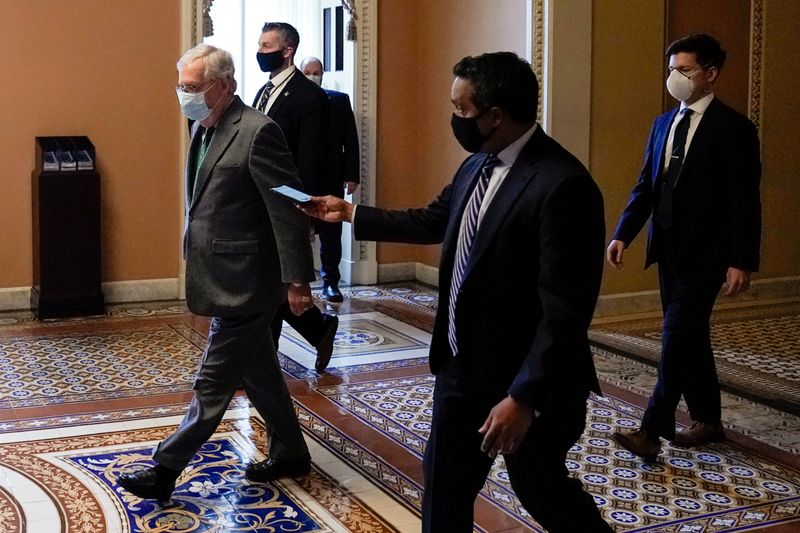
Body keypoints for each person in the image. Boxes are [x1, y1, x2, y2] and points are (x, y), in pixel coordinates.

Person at [300, 52, 612, 533]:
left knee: (541, 489)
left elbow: (565, 312)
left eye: (460, 110)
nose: (454, 120)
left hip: (525, 385)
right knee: (444, 491)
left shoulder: (563, 185)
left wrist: (523, 398)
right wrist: (349, 214)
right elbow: (432, 220)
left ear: (495, 116)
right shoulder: (477, 166)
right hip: (462, 372)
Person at [117, 44, 316, 502]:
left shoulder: (258, 132)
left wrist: (298, 280)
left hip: (247, 280)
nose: (183, 96)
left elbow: (287, 210)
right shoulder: (203, 127)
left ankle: (166, 466)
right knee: (260, 370)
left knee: (213, 382)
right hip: (221, 270)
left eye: (191, 88)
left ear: (223, 86)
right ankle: (289, 451)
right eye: (180, 87)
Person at [608, 34, 761, 461]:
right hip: (668, 250)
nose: (675, 77)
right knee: (690, 336)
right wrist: (624, 233)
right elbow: (646, 186)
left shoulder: (734, 129)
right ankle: (709, 420)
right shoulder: (663, 124)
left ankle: (651, 430)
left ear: (710, 74)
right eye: (672, 68)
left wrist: (741, 259)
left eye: (685, 70)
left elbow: (745, 200)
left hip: (708, 254)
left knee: (675, 336)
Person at [254, 22, 339, 372]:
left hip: (286, 205)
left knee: (271, 283)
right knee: (268, 282)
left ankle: (263, 363)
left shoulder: (309, 96)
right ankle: (318, 328)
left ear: (286, 50)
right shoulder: (264, 90)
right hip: (261, 202)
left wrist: (304, 213)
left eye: (266, 44)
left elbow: (311, 160)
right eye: (259, 44)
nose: (260, 51)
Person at [300, 56, 361, 303]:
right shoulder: (294, 101)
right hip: (301, 178)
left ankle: (330, 282)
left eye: (317, 72)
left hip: (331, 177)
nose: (314, 75)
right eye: (309, 72)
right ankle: (298, 283)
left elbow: (351, 140)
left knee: (331, 232)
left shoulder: (338, 100)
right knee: (299, 231)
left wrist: (352, 175)